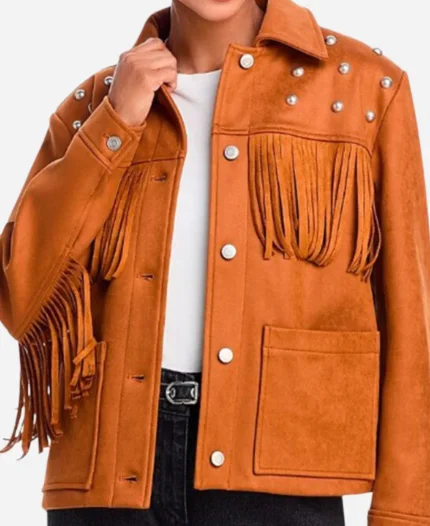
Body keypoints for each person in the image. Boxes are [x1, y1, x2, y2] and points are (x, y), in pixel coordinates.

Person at [0, 0, 428, 525]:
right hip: (107, 477)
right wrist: (116, 122)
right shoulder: (97, 104)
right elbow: (21, 296)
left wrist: (406, 511)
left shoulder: (364, 89)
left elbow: (411, 318)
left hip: (279, 477)